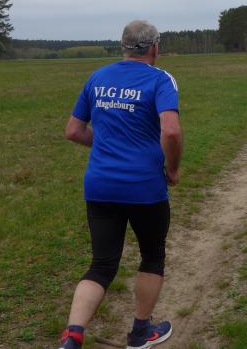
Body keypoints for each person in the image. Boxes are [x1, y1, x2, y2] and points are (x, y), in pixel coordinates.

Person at [58, 20, 183, 349]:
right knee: (152, 257)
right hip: (145, 187)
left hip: (100, 186)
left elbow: (73, 131)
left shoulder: (97, 78)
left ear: (123, 46)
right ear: (154, 47)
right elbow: (171, 131)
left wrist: (105, 144)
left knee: (101, 265)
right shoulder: (161, 79)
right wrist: (173, 168)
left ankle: (72, 337)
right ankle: (140, 333)